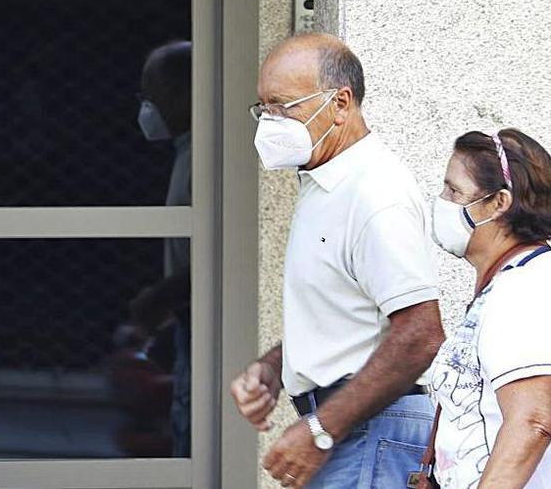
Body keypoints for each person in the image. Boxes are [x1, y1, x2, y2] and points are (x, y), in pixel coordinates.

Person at [229, 33, 445, 488]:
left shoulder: (374, 193)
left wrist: (322, 429)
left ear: (341, 104)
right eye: (263, 107)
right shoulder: (326, 182)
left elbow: (421, 332)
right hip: (353, 431)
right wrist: (276, 367)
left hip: (369, 433)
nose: (270, 121)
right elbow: (350, 317)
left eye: (284, 106)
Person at [427, 129, 551, 488]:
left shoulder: (526, 284)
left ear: (499, 203)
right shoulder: (509, 282)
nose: (441, 201)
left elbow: (533, 419)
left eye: (454, 191)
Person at [125, 40, 193, 457]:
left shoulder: (205, 157)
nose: (147, 105)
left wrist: (159, 298)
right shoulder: (186, 152)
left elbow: (209, 257)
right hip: (185, 318)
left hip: (194, 316)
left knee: (190, 427)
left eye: (153, 93)